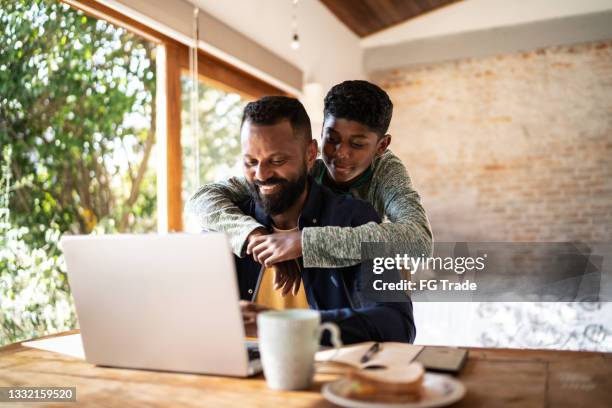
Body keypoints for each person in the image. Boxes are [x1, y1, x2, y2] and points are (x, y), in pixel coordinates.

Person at [186, 80, 432, 296]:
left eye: (357, 144)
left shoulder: (386, 172)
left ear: (381, 146)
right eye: (332, 139)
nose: (340, 154)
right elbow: (202, 198)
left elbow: (418, 242)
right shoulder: (306, 165)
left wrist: (304, 243)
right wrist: (257, 236)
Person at [228, 95, 415, 344]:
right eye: (251, 162)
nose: (261, 175)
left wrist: (288, 326)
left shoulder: (354, 220)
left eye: (277, 161)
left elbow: (397, 325)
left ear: (310, 155)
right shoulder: (228, 225)